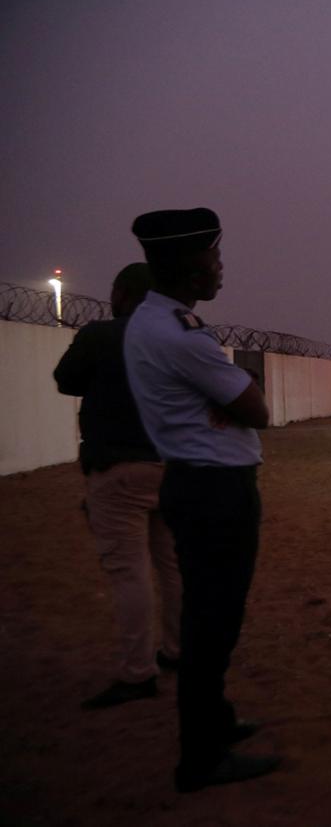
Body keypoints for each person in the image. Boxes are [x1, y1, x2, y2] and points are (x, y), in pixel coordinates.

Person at [123, 207, 279, 792]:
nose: (220, 270)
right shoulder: (179, 335)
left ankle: (215, 723)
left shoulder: (154, 323)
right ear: (190, 269)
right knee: (214, 621)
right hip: (215, 491)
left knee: (211, 616)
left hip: (200, 484)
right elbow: (256, 407)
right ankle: (202, 756)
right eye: (213, 260)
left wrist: (232, 396)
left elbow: (240, 400)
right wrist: (237, 394)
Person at [53, 262, 183, 710]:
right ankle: (177, 650)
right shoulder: (175, 337)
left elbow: (65, 380)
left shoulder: (100, 335)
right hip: (171, 465)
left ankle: (137, 671)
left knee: (129, 570)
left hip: (118, 468)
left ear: (124, 294)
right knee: (172, 566)